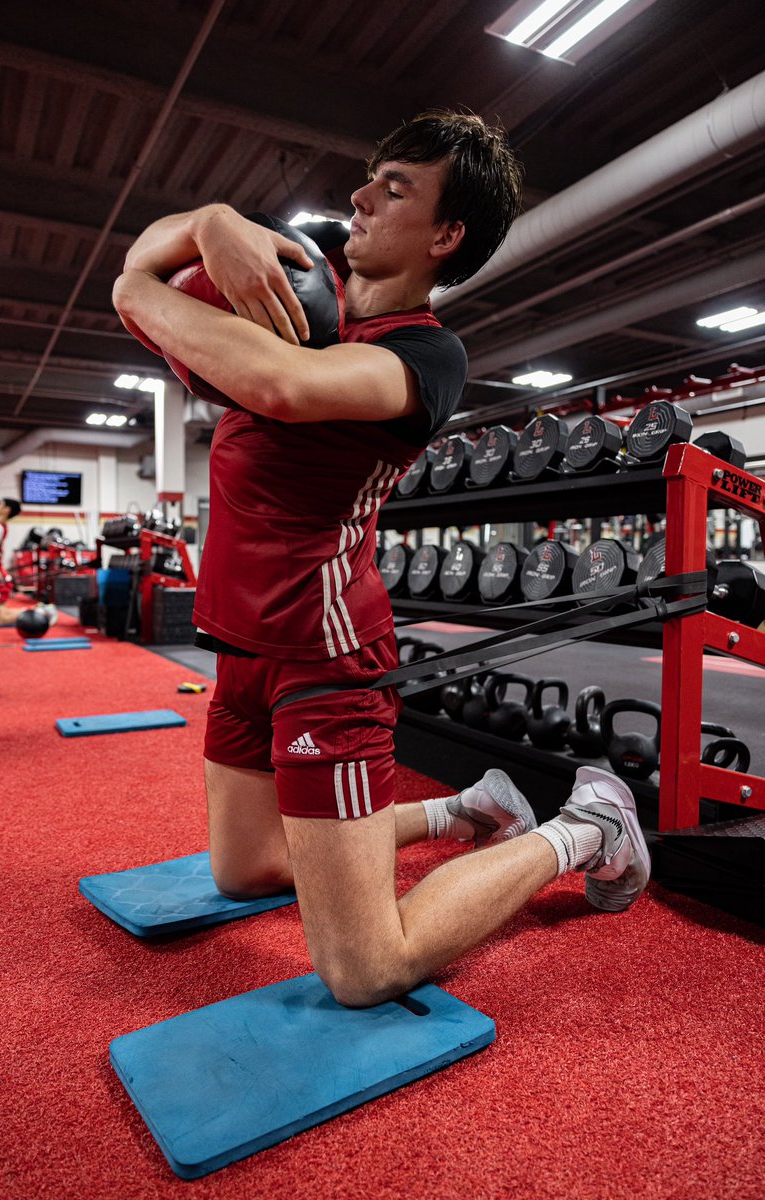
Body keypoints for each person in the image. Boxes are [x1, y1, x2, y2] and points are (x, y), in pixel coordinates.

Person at [113, 109, 651, 1008]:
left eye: (395, 188)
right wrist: (210, 221)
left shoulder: (426, 356)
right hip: (244, 648)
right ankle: (463, 807)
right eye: (370, 177)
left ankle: (586, 827)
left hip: (327, 659)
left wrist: (136, 295)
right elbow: (153, 251)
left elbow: (277, 383)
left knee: (366, 969)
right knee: (245, 871)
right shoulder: (301, 296)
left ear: (446, 235)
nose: (361, 195)